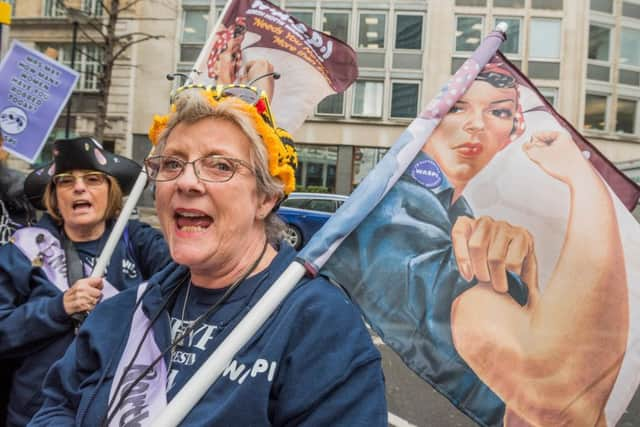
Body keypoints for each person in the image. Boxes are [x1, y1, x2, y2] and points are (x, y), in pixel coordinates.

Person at [31, 85, 387, 426]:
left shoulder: (319, 325)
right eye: (171, 164)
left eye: (220, 165)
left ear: (265, 199)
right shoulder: (125, 311)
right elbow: (57, 405)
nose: (186, 181)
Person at [324, 59, 628, 426]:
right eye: (457, 108)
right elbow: (554, 390)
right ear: (433, 120)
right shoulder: (401, 217)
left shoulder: (458, 215)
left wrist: (529, 297)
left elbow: (572, 401)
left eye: (498, 111)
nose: (475, 124)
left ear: (513, 130)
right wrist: (583, 181)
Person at [0, 136, 172, 426]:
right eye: (66, 181)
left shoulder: (139, 242)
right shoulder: (21, 251)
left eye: (93, 179)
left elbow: (192, 274)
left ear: (111, 191)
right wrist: (58, 308)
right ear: (54, 196)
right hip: (37, 414)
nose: (79, 187)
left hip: (118, 409)